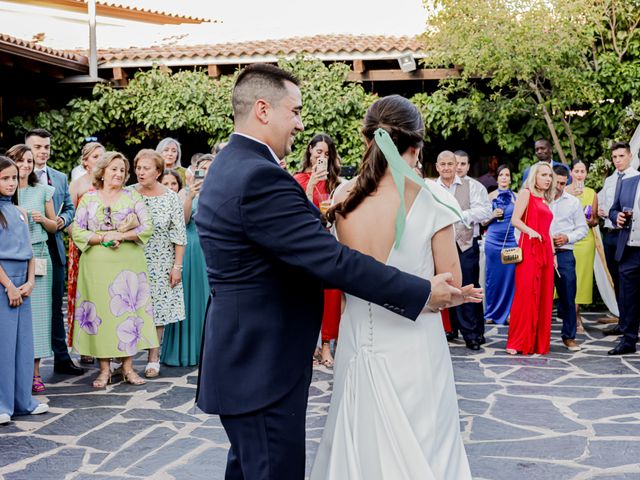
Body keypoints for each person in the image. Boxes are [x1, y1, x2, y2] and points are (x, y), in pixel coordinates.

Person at [194, 64, 480, 480]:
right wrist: (419, 292)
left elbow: (319, 254)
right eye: (294, 111)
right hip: (262, 363)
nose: (300, 123)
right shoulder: (259, 176)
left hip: (249, 354)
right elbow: (331, 260)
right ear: (262, 110)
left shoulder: (231, 165)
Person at [311, 95, 472, 479]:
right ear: (415, 146)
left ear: (368, 140)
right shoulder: (432, 197)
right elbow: (451, 286)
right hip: (415, 344)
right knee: (427, 444)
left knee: (357, 443)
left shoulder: (343, 196)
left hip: (355, 342)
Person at [71, 151, 157, 388]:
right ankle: (104, 370)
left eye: (122, 170)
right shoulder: (89, 199)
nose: (119, 173)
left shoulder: (132, 196)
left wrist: (123, 235)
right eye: (114, 169)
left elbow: (147, 225)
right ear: (102, 172)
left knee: (127, 315)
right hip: (96, 266)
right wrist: (102, 239)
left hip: (128, 265)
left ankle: (128, 368)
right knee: (102, 315)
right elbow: (77, 230)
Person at [24, 129, 82, 376]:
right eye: (37, 147)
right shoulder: (16, 178)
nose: (43, 151)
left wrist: (61, 220)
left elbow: (69, 208)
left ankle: (61, 357)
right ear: (27, 148)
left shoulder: (58, 177)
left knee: (54, 305)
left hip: (52, 248)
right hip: (25, 248)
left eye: (46, 147)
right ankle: (27, 359)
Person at [0, 156, 49, 425]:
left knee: (22, 344)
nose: (11, 183)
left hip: (23, 283)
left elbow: (29, 250)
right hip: (3, 283)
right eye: (4, 178)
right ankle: (2, 403)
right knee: (3, 346)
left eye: (13, 178)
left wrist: (30, 282)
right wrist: (9, 287)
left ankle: (22, 401)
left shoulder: (18, 211)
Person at [8, 145, 57, 393]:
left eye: (29, 161)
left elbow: (53, 227)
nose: (25, 165)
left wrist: (42, 219)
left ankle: (35, 373)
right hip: (10, 259)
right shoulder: (7, 192)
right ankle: (13, 373)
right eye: (20, 161)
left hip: (38, 256)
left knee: (38, 319)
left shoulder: (43, 190)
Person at [133, 149, 186, 378]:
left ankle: (153, 357)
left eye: (146, 168)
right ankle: (124, 357)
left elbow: (179, 235)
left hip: (161, 260)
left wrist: (177, 267)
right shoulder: (128, 194)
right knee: (130, 307)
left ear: (158, 171)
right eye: (138, 167)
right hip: (131, 257)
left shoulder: (170, 197)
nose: (140, 172)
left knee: (158, 310)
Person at [293, 134, 342, 367]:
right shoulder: (299, 179)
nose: (321, 156)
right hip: (306, 243)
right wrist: (312, 182)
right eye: (318, 151)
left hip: (329, 239)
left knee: (330, 293)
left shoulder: (337, 183)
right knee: (306, 293)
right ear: (310, 151)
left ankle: (326, 345)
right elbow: (297, 208)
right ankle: (308, 344)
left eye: (326, 153)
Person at [161, 155, 213, 367]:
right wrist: (190, 196)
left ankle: (207, 352)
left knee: (208, 300)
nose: (206, 171)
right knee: (188, 298)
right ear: (195, 170)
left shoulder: (220, 190)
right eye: (203, 168)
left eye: (211, 168)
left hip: (213, 249)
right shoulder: (184, 192)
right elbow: (182, 222)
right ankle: (184, 352)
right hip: (191, 248)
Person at [436, 150, 492, 350]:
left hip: (466, 244)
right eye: (443, 165)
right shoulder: (432, 188)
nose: (447, 168)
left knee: (468, 286)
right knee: (448, 285)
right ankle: (452, 328)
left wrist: (459, 214)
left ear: (456, 165)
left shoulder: (473, 186)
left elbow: (486, 211)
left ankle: (473, 333)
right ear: (437, 167)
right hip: (441, 245)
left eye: (451, 164)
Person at [506, 162, 555, 355]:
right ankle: (517, 343)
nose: (548, 179)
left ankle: (536, 342)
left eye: (549, 176)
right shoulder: (526, 193)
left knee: (543, 296)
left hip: (545, 251)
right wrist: (531, 232)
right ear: (535, 176)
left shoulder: (546, 200)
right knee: (525, 295)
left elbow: (548, 231)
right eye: (543, 175)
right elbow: (515, 220)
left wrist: (553, 254)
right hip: (529, 248)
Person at [67, 142, 105, 363]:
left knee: (102, 293)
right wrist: (82, 240)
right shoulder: (77, 184)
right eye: (95, 156)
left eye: (102, 156)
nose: (99, 160)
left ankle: (103, 341)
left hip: (105, 244)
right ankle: (86, 346)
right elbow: (69, 219)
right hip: (82, 246)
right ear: (85, 161)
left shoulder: (107, 183)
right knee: (84, 293)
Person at [598, 142, 638, 336]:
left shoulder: (635, 179)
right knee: (617, 280)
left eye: (621, 156)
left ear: (630, 156)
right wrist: (602, 212)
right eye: (614, 157)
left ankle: (631, 324)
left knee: (630, 282)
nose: (618, 160)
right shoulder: (610, 180)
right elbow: (607, 207)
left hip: (628, 237)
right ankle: (624, 322)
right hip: (610, 235)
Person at [549, 166, 588, 351]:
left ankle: (569, 336)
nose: (559, 186)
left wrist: (567, 237)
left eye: (563, 183)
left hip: (564, 253)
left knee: (567, 296)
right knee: (540, 296)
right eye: (557, 182)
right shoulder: (540, 199)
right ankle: (537, 336)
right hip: (542, 253)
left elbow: (583, 228)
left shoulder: (573, 202)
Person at [607, 171, 640, 355]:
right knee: (627, 298)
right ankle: (628, 340)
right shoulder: (627, 183)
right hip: (629, 250)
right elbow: (613, 210)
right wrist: (616, 216)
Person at [566, 159, 598, 332]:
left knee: (582, 279)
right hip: (568, 240)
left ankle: (576, 316)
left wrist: (591, 219)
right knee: (568, 279)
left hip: (586, 241)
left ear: (586, 173)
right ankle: (570, 313)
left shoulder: (592, 193)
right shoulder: (562, 191)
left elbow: (595, 221)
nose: (579, 175)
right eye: (576, 171)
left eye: (582, 171)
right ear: (571, 172)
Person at [483, 164, 517, 325]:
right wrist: (492, 215)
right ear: (497, 178)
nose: (504, 177)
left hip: (510, 241)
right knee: (493, 278)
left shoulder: (516, 197)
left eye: (507, 175)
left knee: (510, 278)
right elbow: (482, 222)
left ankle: (509, 312)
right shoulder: (489, 196)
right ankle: (490, 312)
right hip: (493, 241)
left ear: (510, 179)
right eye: (501, 175)